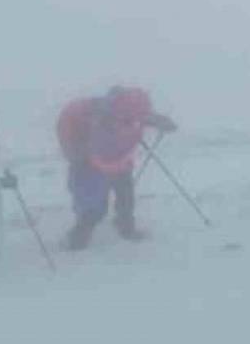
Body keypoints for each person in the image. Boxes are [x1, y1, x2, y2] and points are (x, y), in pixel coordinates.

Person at [57, 87, 176, 250]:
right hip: (81, 148)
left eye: (137, 118)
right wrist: (88, 162)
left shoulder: (128, 111)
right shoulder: (94, 122)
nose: (135, 123)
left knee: (125, 192)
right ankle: (78, 237)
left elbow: (141, 116)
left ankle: (125, 226)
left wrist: (159, 121)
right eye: (129, 120)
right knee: (93, 202)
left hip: (114, 154)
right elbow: (93, 156)